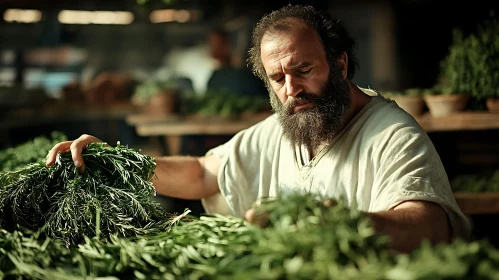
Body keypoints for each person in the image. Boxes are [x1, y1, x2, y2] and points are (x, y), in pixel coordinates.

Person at [46, 4, 471, 254]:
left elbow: (429, 225)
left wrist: (342, 224)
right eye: (277, 78)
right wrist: (118, 160)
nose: (292, 90)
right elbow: (204, 172)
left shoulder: (391, 134)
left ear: (339, 65)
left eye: (303, 70)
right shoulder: (284, 128)